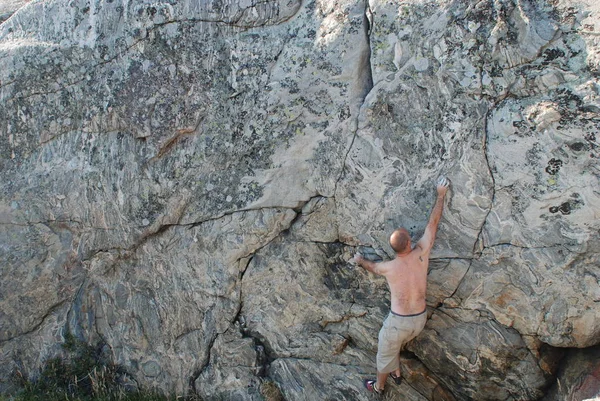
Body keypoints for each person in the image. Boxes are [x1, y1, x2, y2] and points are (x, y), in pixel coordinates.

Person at [353, 176, 450, 395]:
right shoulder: (421, 253)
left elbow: (372, 267)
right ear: (409, 243)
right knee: (395, 343)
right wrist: (441, 194)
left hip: (399, 324)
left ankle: (378, 386)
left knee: (384, 353)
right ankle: (396, 373)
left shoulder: (388, 267)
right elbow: (432, 223)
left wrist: (360, 260)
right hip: (420, 319)